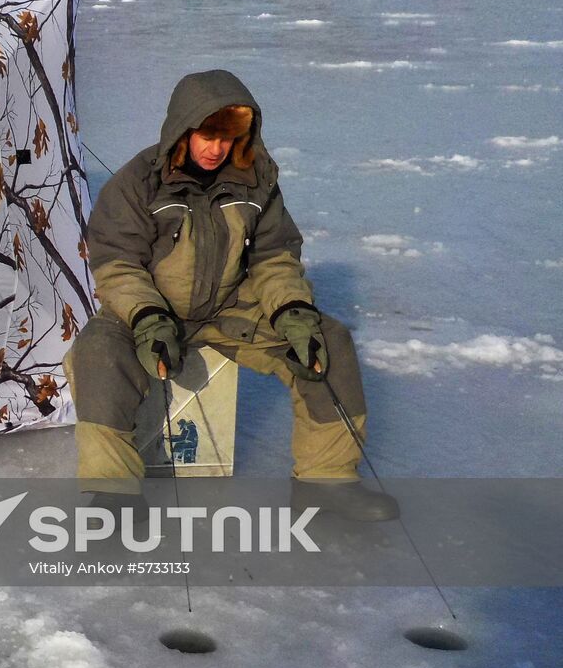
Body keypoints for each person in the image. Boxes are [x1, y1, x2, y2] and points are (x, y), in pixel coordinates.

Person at [66, 69, 398, 521]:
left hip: (230, 308)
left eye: (229, 136)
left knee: (329, 343)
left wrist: (292, 311)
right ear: (183, 128)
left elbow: (274, 255)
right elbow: (117, 262)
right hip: (151, 310)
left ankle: (327, 482)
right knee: (97, 354)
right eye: (207, 134)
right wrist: (147, 317)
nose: (216, 148)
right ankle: (115, 495)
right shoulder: (138, 182)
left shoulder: (254, 180)